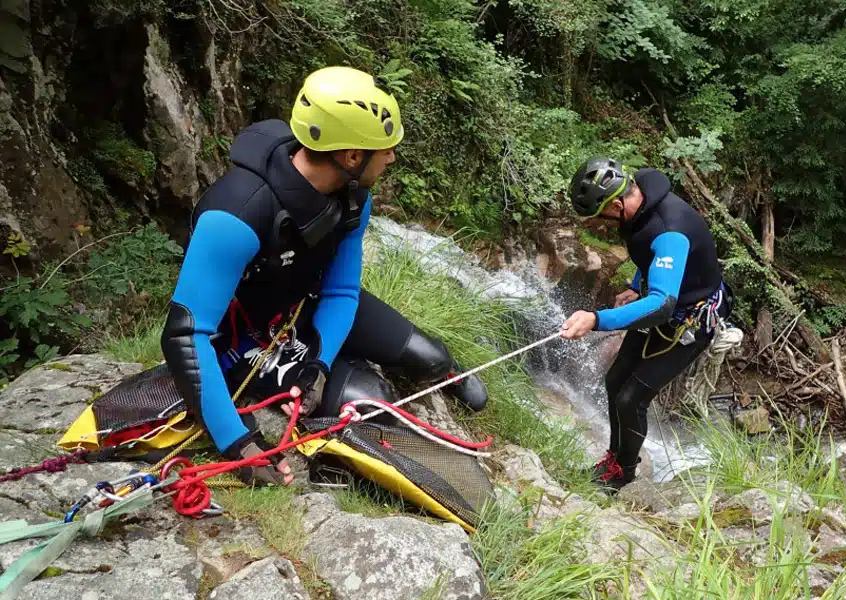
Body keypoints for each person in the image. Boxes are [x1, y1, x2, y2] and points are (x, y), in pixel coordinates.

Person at [161, 66, 487, 487]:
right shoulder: (236, 215)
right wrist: (238, 445)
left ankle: (441, 369)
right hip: (244, 334)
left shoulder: (353, 199)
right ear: (351, 157)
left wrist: (318, 363)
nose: (392, 157)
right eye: (385, 149)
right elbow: (186, 334)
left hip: (304, 301)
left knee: (432, 357)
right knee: (371, 402)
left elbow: (342, 291)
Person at [560, 157, 733, 492]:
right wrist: (636, 284)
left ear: (616, 205)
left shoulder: (671, 231)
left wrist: (595, 319)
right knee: (615, 381)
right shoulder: (640, 204)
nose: (600, 224)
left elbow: (661, 305)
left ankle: (622, 474)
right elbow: (649, 255)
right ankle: (614, 458)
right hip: (667, 304)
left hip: (690, 320)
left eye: (600, 215)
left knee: (631, 398)